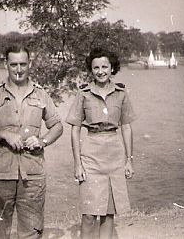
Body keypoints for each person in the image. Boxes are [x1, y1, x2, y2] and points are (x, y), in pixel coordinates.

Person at [0, 45, 63, 239]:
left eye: (23, 64)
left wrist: (43, 141)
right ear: (6, 64)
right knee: (0, 233)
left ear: (30, 64)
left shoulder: (40, 94)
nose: (19, 69)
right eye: (14, 64)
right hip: (0, 174)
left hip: (33, 175)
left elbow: (57, 126)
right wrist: (4, 134)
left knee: (32, 232)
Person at [66, 47, 135, 239]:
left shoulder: (121, 93)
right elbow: (75, 129)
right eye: (96, 67)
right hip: (91, 155)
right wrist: (77, 164)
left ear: (112, 68)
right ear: (91, 70)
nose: (101, 71)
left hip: (114, 155)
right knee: (89, 214)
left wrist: (129, 160)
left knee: (108, 213)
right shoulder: (84, 94)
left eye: (105, 66)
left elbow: (127, 128)